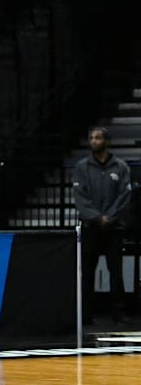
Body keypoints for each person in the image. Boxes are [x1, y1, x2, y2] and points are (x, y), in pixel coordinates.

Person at [72, 126, 133, 325]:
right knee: (87, 272)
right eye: (91, 138)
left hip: (114, 229)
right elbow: (80, 198)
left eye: (98, 138)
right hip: (91, 227)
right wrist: (98, 217)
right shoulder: (82, 167)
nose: (93, 141)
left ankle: (119, 313)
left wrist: (110, 218)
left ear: (107, 141)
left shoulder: (121, 167)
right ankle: (85, 314)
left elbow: (124, 196)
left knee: (115, 271)